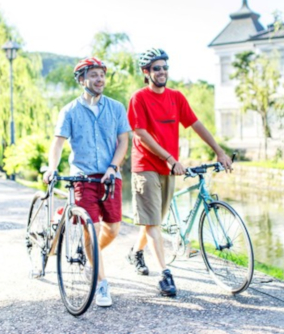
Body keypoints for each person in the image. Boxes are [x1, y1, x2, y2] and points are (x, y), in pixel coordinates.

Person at [126, 48, 233, 297]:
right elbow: (140, 134)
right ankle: (165, 275)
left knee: (153, 220)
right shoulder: (138, 98)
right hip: (146, 167)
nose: (162, 72)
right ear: (146, 72)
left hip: (169, 167)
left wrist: (219, 151)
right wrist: (171, 158)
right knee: (153, 222)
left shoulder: (176, 97)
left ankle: (136, 252)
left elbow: (196, 124)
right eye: (156, 68)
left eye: (164, 67)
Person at [43, 57, 131, 307]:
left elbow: (123, 141)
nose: (100, 79)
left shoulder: (116, 108)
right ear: (82, 79)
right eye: (93, 75)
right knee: (90, 230)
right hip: (82, 178)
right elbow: (58, 142)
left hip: (110, 177)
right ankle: (101, 284)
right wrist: (52, 168)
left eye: (102, 74)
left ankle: (91, 254)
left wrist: (113, 167)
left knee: (113, 229)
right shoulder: (69, 110)